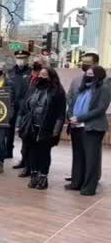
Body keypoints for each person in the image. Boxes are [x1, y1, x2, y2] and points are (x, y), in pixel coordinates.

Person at [17, 67, 66, 190]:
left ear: (51, 77)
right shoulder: (33, 88)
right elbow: (25, 107)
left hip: (47, 128)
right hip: (31, 126)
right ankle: (34, 176)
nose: (41, 77)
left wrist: (56, 131)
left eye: (45, 75)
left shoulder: (58, 92)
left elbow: (61, 114)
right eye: (40, 74)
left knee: (44, 154)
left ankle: (43, 177)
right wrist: (21, 123)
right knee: (32, 153)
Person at [66, 66, 111, 196]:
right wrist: (70, 117)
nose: (88, 75)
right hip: (76, 127)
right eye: (87, 73)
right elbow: (71, 104)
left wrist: (79, 118)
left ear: (98, 76)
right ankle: (76, 183)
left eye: (91, 74)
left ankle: (89, 188)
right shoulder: (82, 87)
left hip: (92, 128)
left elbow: (100, 109)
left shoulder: (104, 88)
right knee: (78, 157)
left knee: (91, 159)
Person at [64, 52, 100, 182]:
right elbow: (69, 98)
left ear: (95, 63)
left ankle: (91, 178)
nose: (84, 65)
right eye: (83, 62)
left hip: (90, 124)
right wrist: (71, 115)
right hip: (75, 122)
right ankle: (77, 176)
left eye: (88, 62)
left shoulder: (102, 80)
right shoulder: (77, 80)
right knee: (77, 152)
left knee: (91, 154)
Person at [14, 54, 48, 177]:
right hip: (25, 114)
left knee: (34, 146)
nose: (35, 64)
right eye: (34, 62)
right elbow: (24, 93)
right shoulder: (30, 76)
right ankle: (25, 163)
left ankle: (32, 168)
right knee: (25, 143)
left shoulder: (46, 77)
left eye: (37, 62)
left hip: (37, 116)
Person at [7, 50, 31, 161]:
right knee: (8, 130)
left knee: (24, 131)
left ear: (27, 59)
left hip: (25, 107)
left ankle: (24, 157)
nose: (21, 60)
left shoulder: (31, 73)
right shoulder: (10, 72)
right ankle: (7, 152)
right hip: (11, 105)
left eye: (23, 58)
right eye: (19, 58)